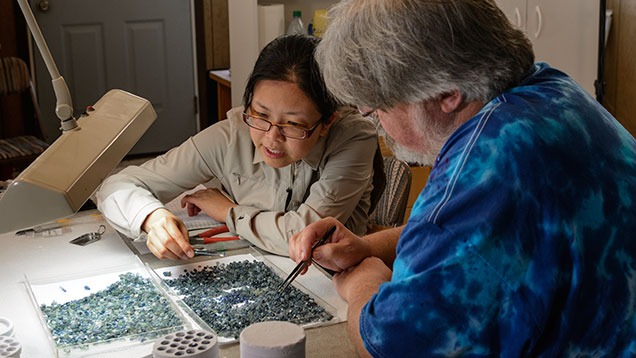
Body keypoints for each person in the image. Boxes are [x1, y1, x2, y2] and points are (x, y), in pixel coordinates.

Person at [289, 0, 636, 357]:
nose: (379, 124)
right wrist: (368, 247)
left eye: (378, 109)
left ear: (446, 95)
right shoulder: (550, 89)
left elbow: (392, 344)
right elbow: (480, 237)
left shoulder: (487, 165)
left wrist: (364, 282)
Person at [96, 35, 380, 259]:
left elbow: (303, 237)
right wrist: (151, 217)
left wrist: (227, 211)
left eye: (293, 125)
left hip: (333, 282)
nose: (271, 138)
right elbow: (115, 186)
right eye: (261, 115)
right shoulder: (231, 135)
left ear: (327, 121)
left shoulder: (353, 138)